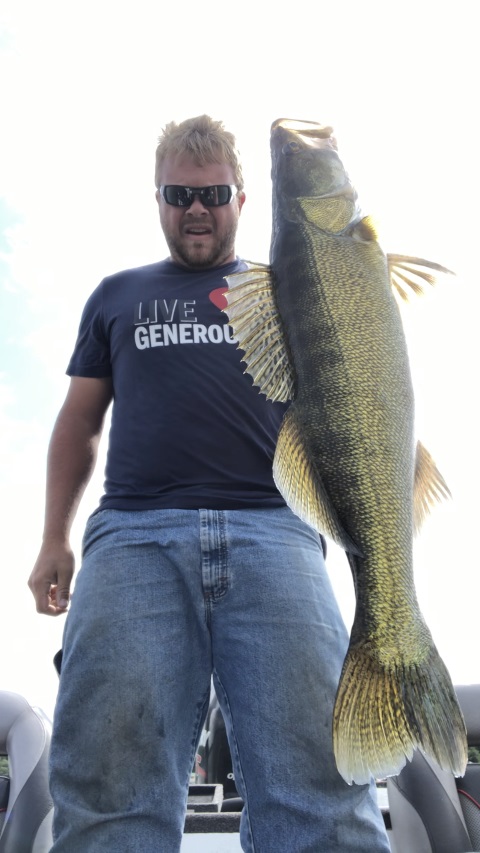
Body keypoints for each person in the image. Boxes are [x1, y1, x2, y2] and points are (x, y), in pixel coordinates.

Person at [28, 115, 390, 853]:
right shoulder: (115, 294)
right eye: (179, 195)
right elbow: (79, 420)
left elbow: (355, 366)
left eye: (214, 193)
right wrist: (53, 537)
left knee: (322, 793)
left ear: (243, 199)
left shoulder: (290, 288)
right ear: (158, 199)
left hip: (277, 529)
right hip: (133, 535)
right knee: (107, 789)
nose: (197, 209)